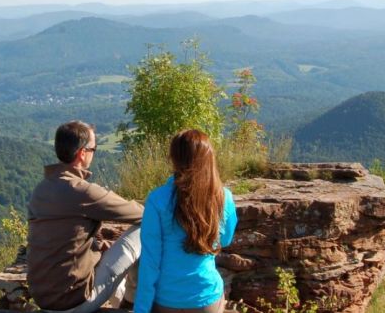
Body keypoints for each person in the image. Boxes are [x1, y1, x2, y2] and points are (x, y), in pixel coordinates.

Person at [27, 120, 144, 312]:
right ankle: (131, 304)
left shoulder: (40, 190)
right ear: (82, 153)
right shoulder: (83, 192)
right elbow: (140, 214)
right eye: (94, 149)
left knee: (106, 251)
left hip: (43, 298)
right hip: (73, 302)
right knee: (144, 229)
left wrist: (97, 249)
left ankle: (125, 299)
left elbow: (67, 238)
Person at [134, 129, 238, 313]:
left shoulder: (157, 199)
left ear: (174, 159)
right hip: (206, 298)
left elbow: (150, 261)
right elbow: (225, 239)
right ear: (208, 159)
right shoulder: (223, 197)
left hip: (166, 300)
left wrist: (141, 309)